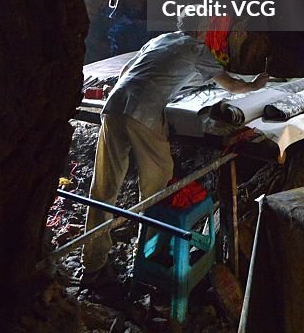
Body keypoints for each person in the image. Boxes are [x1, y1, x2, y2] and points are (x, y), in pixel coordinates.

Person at [81, 29, 268, 288]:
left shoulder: (161, 39)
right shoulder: (197, 49)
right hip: (143, 114)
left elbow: (125, 71)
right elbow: (232, 85)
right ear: (202, 31)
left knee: (104, 187)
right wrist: (255, 85)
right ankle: (150, 254)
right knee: (156, 185)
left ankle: (92, 263)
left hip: (114, 106)